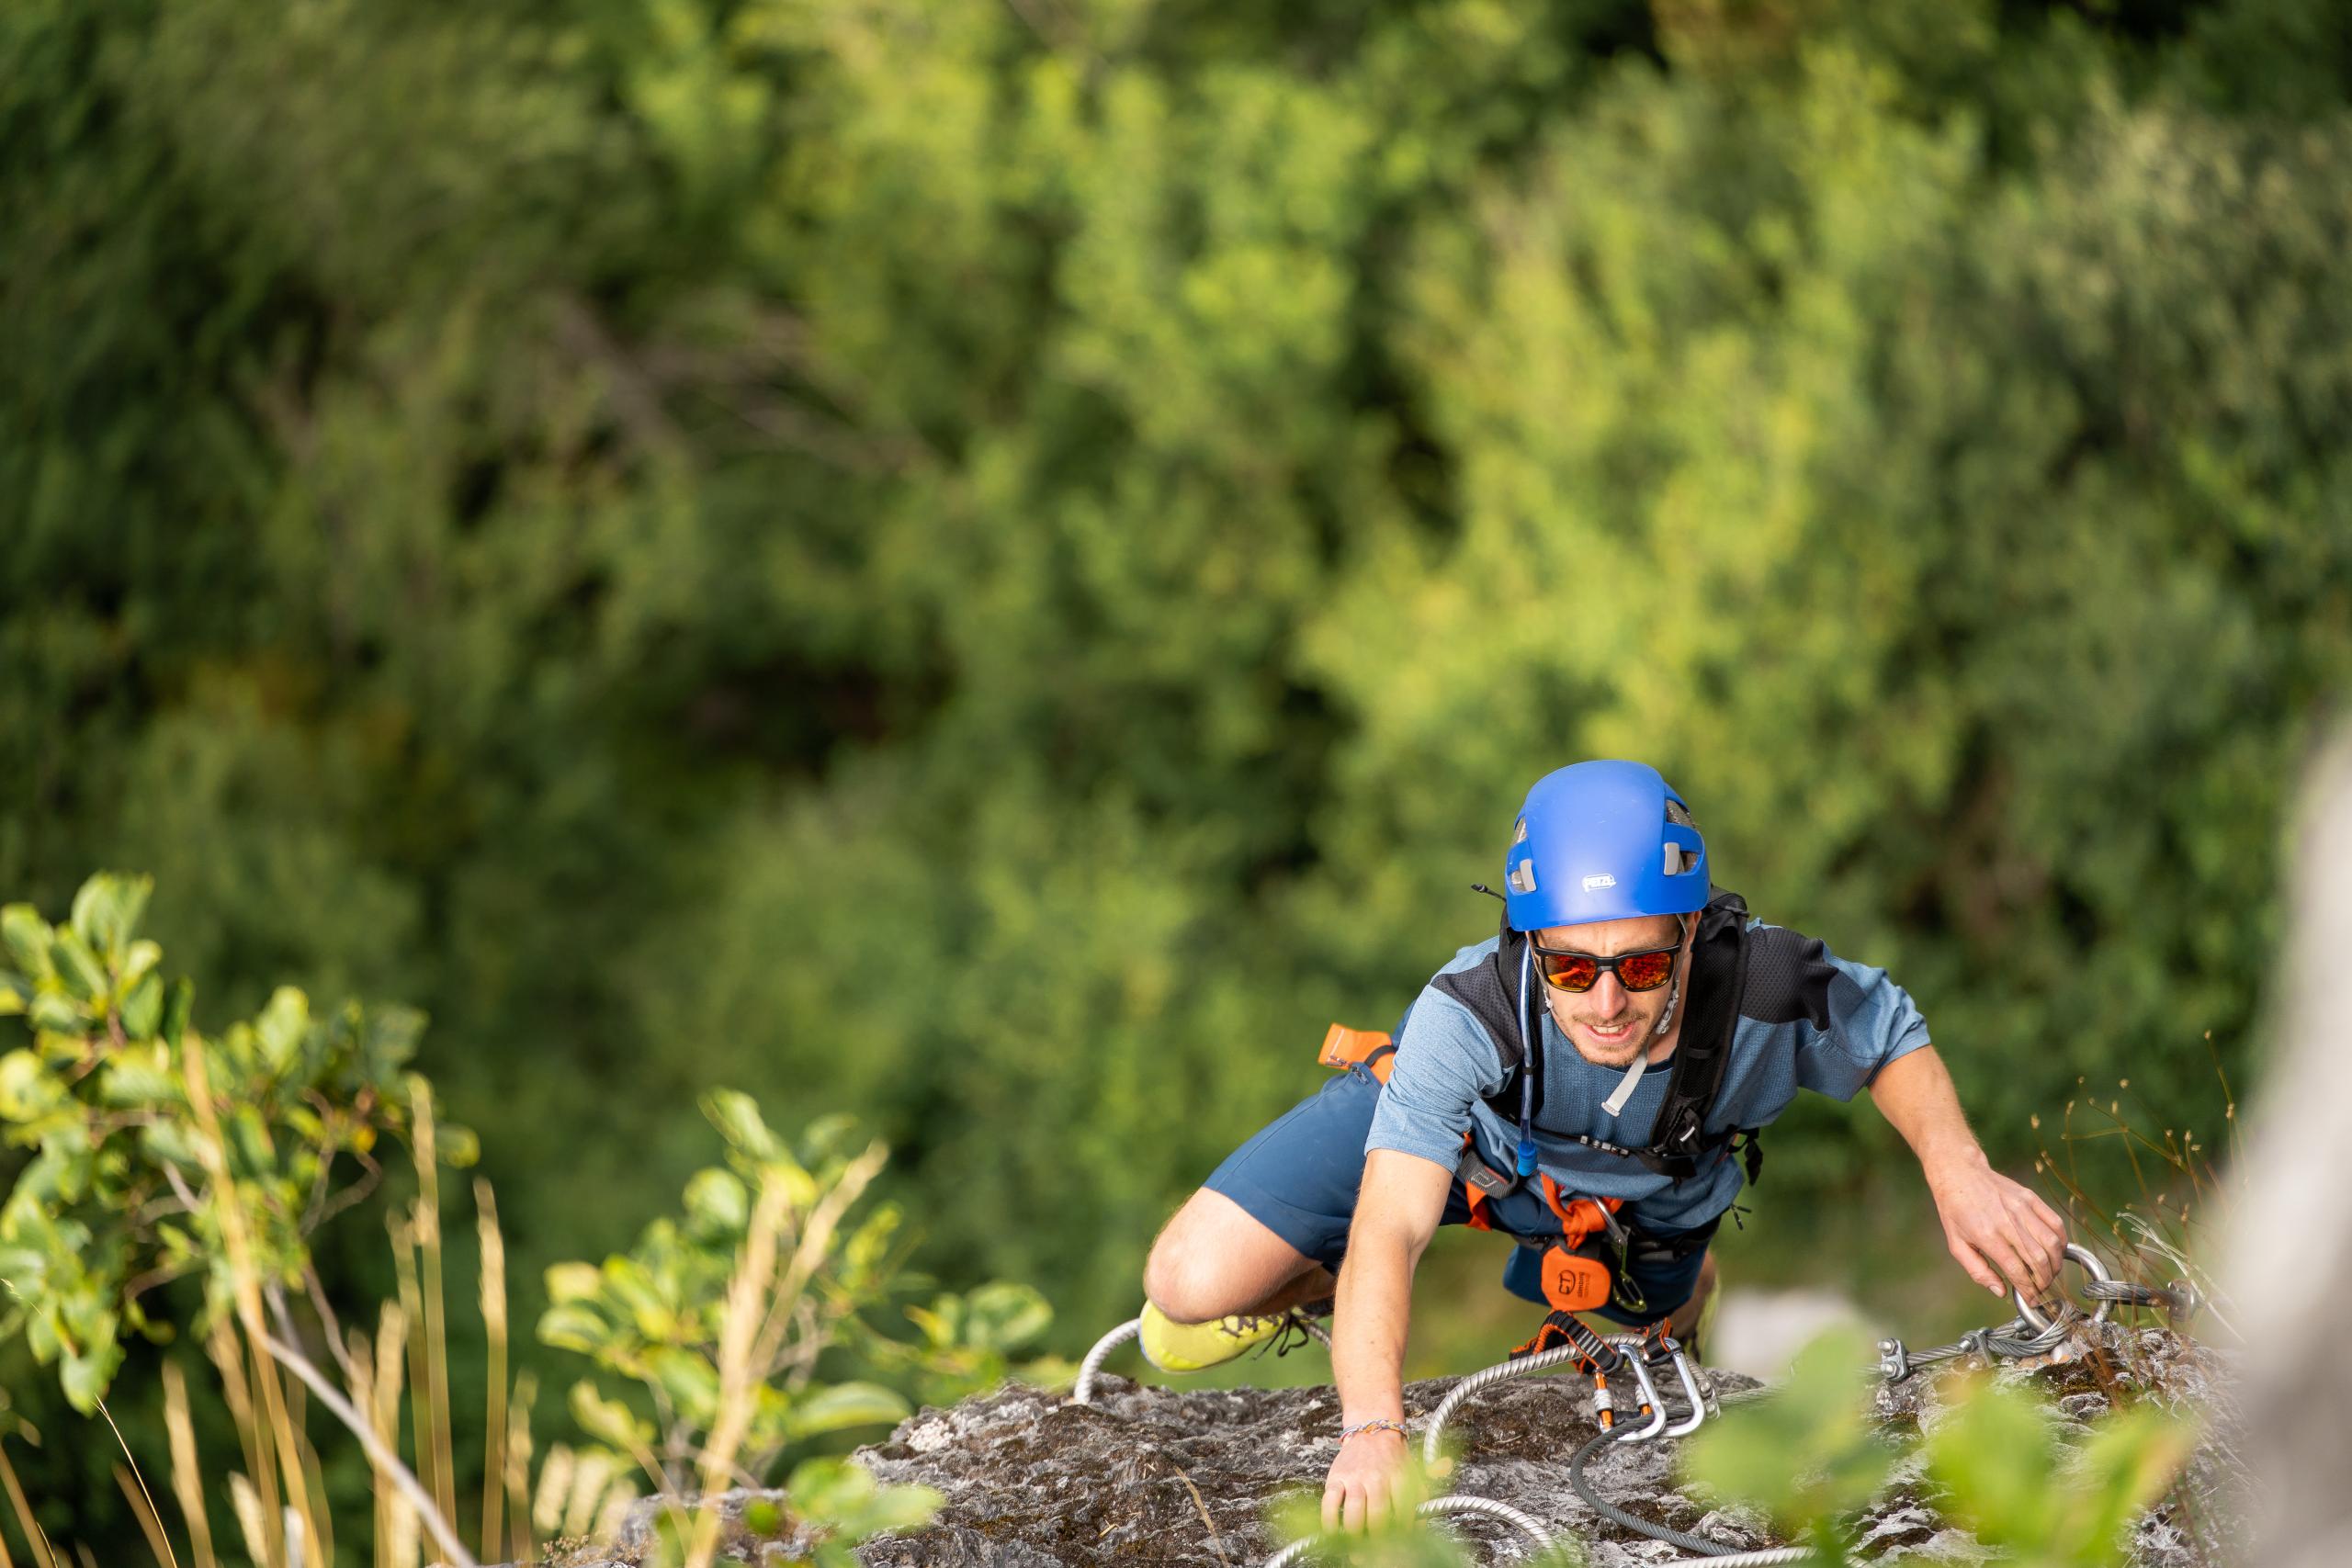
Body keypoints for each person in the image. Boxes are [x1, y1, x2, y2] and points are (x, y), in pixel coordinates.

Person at [1136, 760, 2069, 1532]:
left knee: (1641, 1358)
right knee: (1187, 1286)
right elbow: (1390, 1227)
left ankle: (1681, 1287)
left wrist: (1959, 1174)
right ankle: (1320, 1287)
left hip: (1643, 1197)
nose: (1607, 1002)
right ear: (1528, 943)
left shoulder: (1765, 984)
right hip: (1468, 1154)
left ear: (1691, 933)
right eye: (1573, 968)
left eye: (1644, 965)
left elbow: (1887, 1037)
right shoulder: (1469, 1014)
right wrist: (1374, 1428)